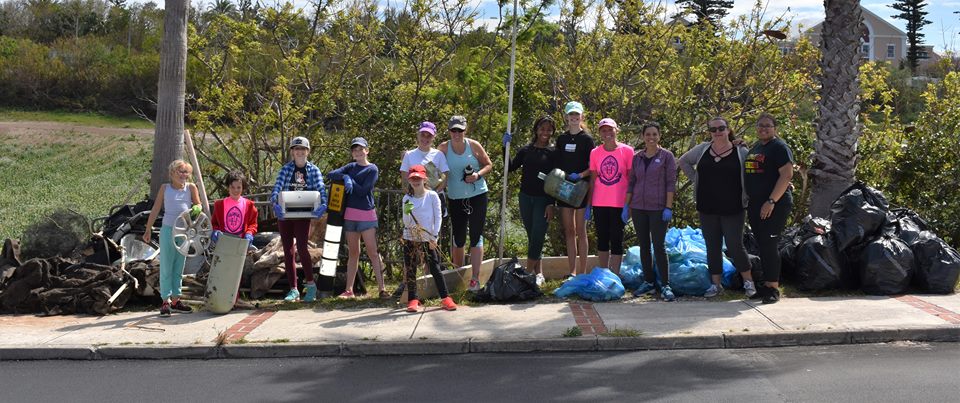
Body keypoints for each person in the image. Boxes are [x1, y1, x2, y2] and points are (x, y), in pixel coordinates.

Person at [678, 117, 756, 298]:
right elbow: (683, 161)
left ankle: (749, 282)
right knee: (712, 246)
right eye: (713, 129)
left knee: (735, 245)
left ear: (728, 129)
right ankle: (716, 285)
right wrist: (696, 179)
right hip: (707, 207)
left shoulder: (741, 151)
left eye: (721, 128)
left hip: (733, 208)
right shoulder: (703, 149)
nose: (718, 132)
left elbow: (754, 172)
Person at [326, 137, 388, 299]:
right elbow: (331, 174)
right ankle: (349, 290)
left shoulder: (372, 169)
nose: (358, 152)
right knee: (353, 253)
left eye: (361, 149)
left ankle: (382, 289)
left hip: (366, 216)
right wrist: (345, 177)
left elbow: (362, 191)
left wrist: (349, 179)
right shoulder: (350, 167)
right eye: (355, 150)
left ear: (367, 151)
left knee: (373, 252)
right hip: (350, 216)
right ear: (352, 153)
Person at [438, 115, 493, 292]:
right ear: (449, 131)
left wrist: (477, 175)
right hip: (455, 198)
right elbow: (434, 169)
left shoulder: (474, 145)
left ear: (465, 130)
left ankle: (475, 279)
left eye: (460, 130)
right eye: (453, 130)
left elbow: (488, 164)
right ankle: (458, 277)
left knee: (476, 236)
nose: (456, 133)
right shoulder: (443, 148)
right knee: (459, 237)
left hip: (478, 195)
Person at [270, 136, 328, 303]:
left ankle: (311, 284)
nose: (300, 152)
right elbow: (277, 187)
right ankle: (293, 289)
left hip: (303, 214)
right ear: (292, 152)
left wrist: (323, 204)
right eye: (296, 149)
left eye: (303, 149)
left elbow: (320, 188)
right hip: (285, 214)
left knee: (302, 248)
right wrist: (275, 202)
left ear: (307, 151)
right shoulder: (286, 169)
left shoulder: (313, 170)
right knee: (288, 251)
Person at [744, 113, 794, 304]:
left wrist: (771, 201)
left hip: (774, 204)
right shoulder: (756, 147)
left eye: (767, 125)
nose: (763, 128)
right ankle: (765, 285)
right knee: (762, 244)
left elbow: (786, 175)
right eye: (760, 125)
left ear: (775, 128)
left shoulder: (779, 147)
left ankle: (773, 288)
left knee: (770, 243)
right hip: (755, 203)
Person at [625, 122, 677, 301]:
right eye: (648, 134)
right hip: (638, 207)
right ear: (643, 136)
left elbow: (670, 183)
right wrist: (627, 205)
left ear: (659, 136)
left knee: (659, 246)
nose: (651, 137)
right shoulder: (637, 157)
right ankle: (648, 282)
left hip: (658, 208)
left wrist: (668, 207)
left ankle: (665, 285)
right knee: (644, 245)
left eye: (654, 134)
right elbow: (632, 182)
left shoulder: (667, 156)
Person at [143, 159, 201, 316]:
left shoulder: (191, 187)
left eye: (186, 172)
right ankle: (165, 301)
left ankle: (176, 300)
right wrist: (148, 229)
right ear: (172, 173)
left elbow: (198, 204)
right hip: (168, 230)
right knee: (166, 266)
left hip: (184, 232)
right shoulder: (165, 188)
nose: (183, 175)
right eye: (180, 171)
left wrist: (197, 208)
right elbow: (155, 209)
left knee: (179, 266)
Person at [505, 116, 557, 286]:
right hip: (525, 198)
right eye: (542, 128)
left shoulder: (553, 153)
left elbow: (556, 181)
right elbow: (510, 167)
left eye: (549, 129)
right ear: (536, 130)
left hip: (544, 199)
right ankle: (539, 273)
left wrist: (551, 203)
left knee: (538, 234)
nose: (545, 132)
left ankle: (527, 273)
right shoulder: (526, 150)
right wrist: (505, 147)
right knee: (532, 235)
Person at [401, 165, 458, 312]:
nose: (416, 181)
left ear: (424, 179)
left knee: (435, 268)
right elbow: (406, 222)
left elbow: (438, 217)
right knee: (411, 268)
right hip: (410, 237)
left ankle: (445, 298)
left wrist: (434, 237)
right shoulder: (407, 198)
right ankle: (413, 299)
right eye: (413, 179)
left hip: (428, 238)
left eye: (418, 178)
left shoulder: (432, 196)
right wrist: (407, 211)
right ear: (409, 181)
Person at [554, 101, 595, 278]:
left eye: (577, 114)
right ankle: (572, 271)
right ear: (566, 116)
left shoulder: (587, 139)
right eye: (571, 114)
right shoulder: (561, 139)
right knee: (569, 231)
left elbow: (593, 166)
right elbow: (557, 162)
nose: (574, 117)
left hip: (581, 189)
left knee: (580, 231)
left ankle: (582, 272)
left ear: (581, 116)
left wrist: (580, 174)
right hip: (564, 189)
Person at [588, 118, 633, 274]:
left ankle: (615, 274)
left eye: (610, 129)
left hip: (619, 203)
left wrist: (629, 204)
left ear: (616, 130)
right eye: (603, 130)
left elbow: (631, 179)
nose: (607, 133)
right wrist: (588, 205)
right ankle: (604, 273)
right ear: (600, 133)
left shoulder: (627, 151)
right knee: (602, 238)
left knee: (616, 239)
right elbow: (593, 180)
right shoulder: (595, 152)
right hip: (599, 202)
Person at [400, 121, 449, 197]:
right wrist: (415, 197)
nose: (425, 138)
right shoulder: (408, 155)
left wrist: (431, 195)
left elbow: (444, 180)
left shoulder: (439, 155)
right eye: (422, 135)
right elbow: (404, 182)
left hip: (436, 197)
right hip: (415, 198)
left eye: (429, 136)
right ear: (418, 135)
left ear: (434, 137)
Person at [211, 170, 258, 246]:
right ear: (228, 187)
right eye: (232, 187)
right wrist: (216, 230)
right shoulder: (219, 205)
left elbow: (253, 224)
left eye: (238, 187)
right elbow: (214, 223)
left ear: (243, 188)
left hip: (241, 242)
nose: (235, 190)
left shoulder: (249, 205)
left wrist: (249, 233)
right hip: (223, 241)